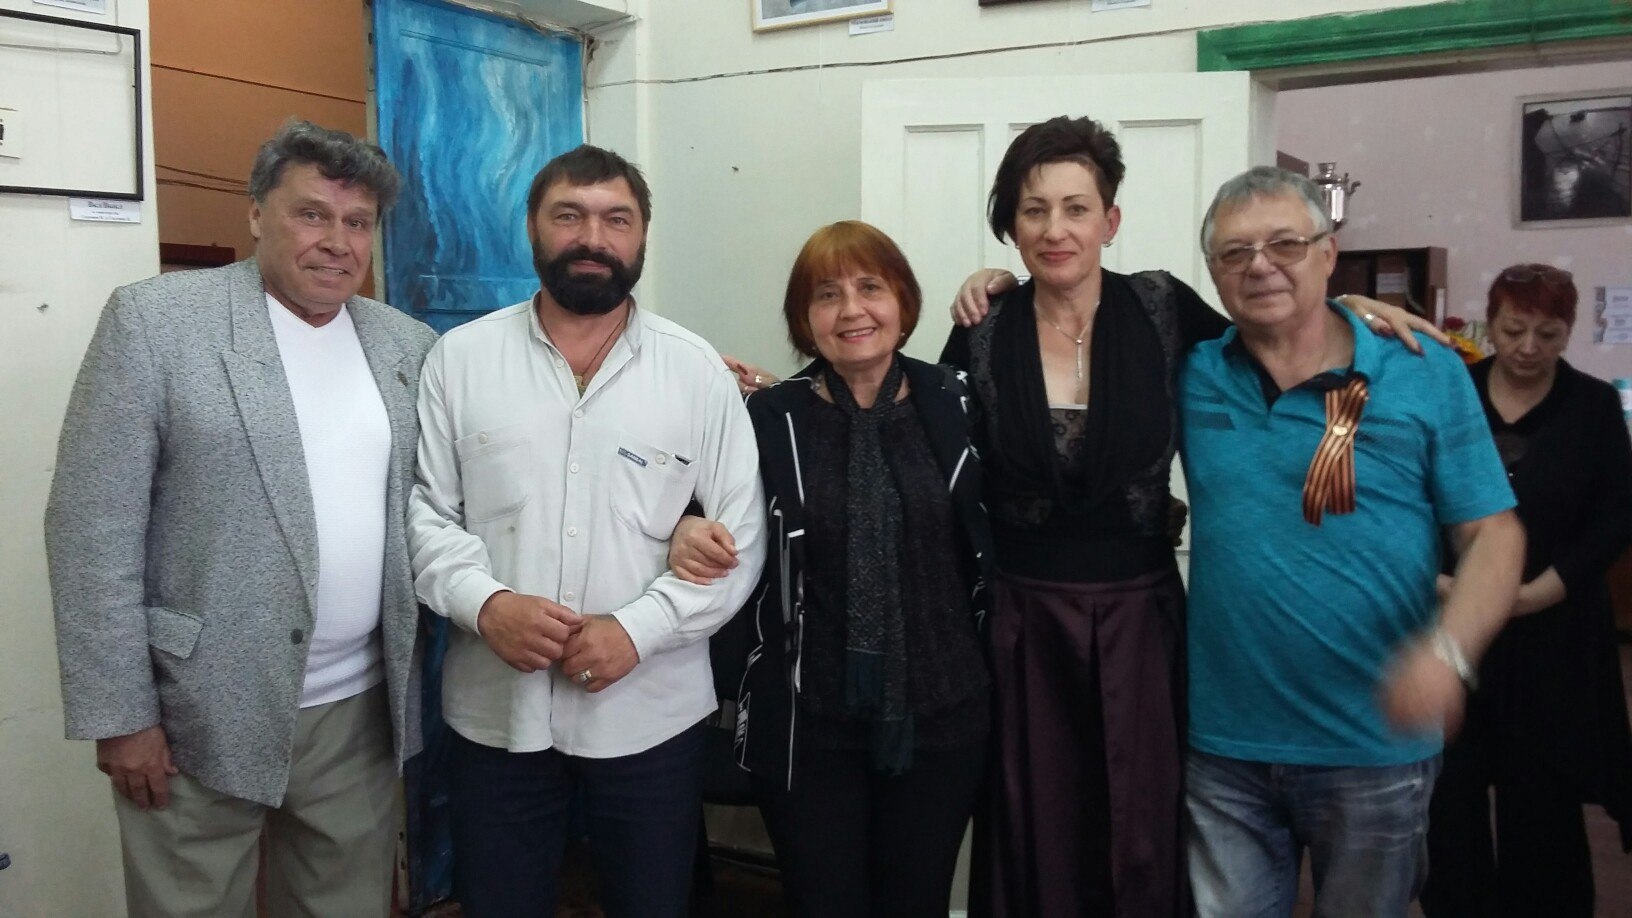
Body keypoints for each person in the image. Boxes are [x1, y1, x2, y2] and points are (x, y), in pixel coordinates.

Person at [45, 120, 437, 917]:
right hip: (195, 710)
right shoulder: (157, 322)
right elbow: (90, 528)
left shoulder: (408, 344)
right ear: (257, 213)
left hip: (357, 712)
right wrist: (121, 716)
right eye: (311, 214)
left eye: (358, 222)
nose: (337, 242)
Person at [407, 144, 767, 918]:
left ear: (643, 236)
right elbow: (427, 515)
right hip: (496, 712)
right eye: (568, 215)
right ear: (532, 228)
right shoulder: (459, 361)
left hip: (652, 713)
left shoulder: (696, 372)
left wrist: (637, 630)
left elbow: (741, 542)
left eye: (616, 220)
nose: (592, 238)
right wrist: (485, 604)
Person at [1179, 166, 1525, 917]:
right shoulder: (1193, 370)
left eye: (1285, 244)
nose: (1260, 266)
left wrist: (1450, 654)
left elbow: (1494, 536)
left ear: (1329, 253)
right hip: (1225, 745)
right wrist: (994, 286)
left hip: (1374, 744)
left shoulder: (1425, 370)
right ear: (1212, 271)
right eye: (1235, 252)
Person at [675, 221, 995, 917]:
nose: (852, 310)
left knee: (917, 902)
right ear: (804, 318)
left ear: (903, 301)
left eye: (870, 288)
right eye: (827, 295)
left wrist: (1001, 283)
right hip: (806, 723)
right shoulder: (767, 417)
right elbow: (685, 503)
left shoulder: (962, 402)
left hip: (944, 715)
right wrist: (686, 528)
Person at [1420, 264, 1632, 917]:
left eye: (1548, 334)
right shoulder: (1451, 395)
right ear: (1491, 325)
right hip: (1456, 623)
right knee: (1450, 795)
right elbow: (1410, 498)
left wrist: (1537, 593)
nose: (1529, 347)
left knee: (1543, 797)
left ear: (1569, 332)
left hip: (1553, 632)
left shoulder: (1593, 407)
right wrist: (1442, 583)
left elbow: (1616, 517)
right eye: (1514, 330)